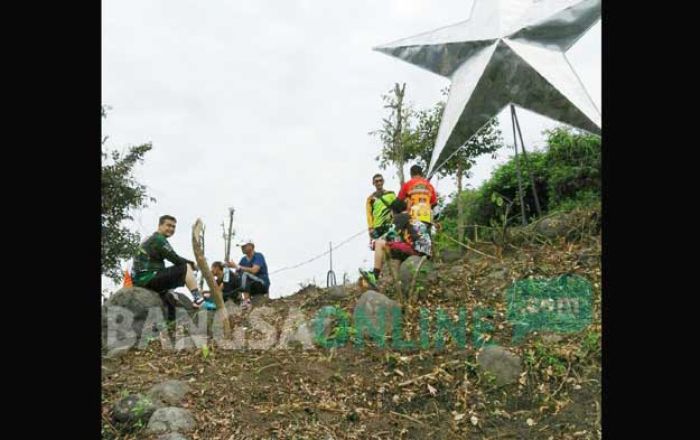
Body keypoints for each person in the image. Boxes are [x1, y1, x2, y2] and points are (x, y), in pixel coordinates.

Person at [131, 215, 205, 309]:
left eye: (173, 227)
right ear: (160, 226)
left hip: (142, 281)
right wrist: (193, 265)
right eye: (168, 225)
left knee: (171, 300)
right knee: (185, 267)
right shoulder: (158, 239)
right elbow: (176, 259)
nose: (171, 229)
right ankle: (198, 299)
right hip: (147, 280)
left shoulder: (151, 239)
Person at [359, 199, 431, 288]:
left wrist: (375, 237)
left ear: (393, 211)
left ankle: (375, 275)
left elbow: (390, 233)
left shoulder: (401, 216)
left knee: (379, 243)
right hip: (424, 251)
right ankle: (384, 276)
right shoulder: (411, 217)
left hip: (416, 249)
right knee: (388, 247)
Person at [226, 238, 270, 309]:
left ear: (251, 246)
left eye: (244, 246)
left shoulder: (258, 256)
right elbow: (237, 274)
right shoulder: (243, 260)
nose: (242, 248)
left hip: (261, 284)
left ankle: (246, 301)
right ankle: (237, 299)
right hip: (251, 287)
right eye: (241, 247)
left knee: (245, 274)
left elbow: (254, 270)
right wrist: (228, 270)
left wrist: (237, 266)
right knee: (235, 279)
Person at [365, 173, 397, 240]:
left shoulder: (391, 194)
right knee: (379, 247)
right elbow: (369, 215)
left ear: (383, 181)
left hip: (390, 225)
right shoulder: (370, 199)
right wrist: (370, 228)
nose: (379, 183)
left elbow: (397, 208)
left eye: (380, 180)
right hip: (377, 227)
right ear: (373, 183)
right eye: (376, 181)